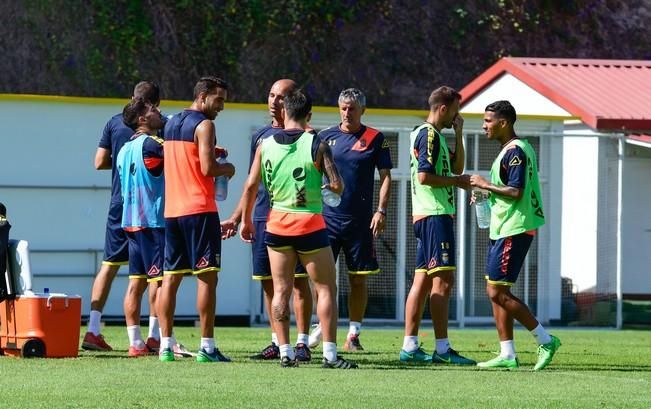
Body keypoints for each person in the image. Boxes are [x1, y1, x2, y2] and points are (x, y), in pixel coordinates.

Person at [239, 89, 357, 369]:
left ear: (283, 112)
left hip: (276, 223)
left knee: (281, 290)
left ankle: (284, 351)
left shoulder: (264, 144)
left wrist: (245, 220)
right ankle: (329, 354)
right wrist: (325, 188)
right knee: (326, 289)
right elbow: (337, 184)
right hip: (309, 224)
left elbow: (250, 185)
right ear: (309, 115)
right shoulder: (316, 143)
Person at [221, 79, 313, 362]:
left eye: (281, 96)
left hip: (294, 216)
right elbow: (253, 182)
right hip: (263, 217)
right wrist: (238, 218)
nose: (274, 101)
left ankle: (302, 342)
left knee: (298, 282)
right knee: (267, 281)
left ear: (292, 101)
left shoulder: (307, 136)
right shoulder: (260, 136)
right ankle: (277, 341)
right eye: (271, 95)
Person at [470, 100, 560, 370]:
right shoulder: (508, 150)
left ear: (503, 122)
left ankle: (545, 340)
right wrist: (485, 194)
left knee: (497, 291)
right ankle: (507, 353)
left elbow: (516, 191)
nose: (484, 125)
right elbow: (506, 190)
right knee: (495, 291)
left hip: (515, 227)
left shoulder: (516, 151)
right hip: (503, 226)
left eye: (488, 120)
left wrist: (486, 184)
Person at [157, 76, 235, 363]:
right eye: (219, 100)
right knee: (207, 279)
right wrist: (228, 168)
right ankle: (207, 348)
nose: (222, 107)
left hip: (173, 211)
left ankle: (165, 346)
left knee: (170, 280)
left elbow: (185, 160)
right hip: (200, 211)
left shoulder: (171, 123)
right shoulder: (205, 125)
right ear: (202, 97)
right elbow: (207, 168)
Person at [309, 88, 393, 351]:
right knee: (321, 278)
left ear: (362, 110)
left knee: (358, 278)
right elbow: (313, 175)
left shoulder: (376, 138)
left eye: (352, 108)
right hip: (327, 220)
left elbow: (386, 176)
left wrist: (381, 210)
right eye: (343, 107)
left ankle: (354, 333)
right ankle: (321, 325)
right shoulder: (324, 138)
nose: (347, 112)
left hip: (360, 222)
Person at [83, 81, 163, 352]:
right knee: (152, 275)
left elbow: (99, 162)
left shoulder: (115, 122)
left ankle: (93, 329)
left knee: (110, 264)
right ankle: (155, 335)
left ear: (132, 98)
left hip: (120, 202)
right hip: (148, 207)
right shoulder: (156, 128)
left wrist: (122, 159)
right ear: (153, 106)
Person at [399, 86, 475, 365]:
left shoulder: (437, 136)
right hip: (435, 216)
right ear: (443, 108)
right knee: (443, 281)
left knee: (421, 281)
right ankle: (442, 350)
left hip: (429, 215)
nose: (457, 115)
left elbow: (456, 169)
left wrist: (458, 133)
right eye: (455, 110)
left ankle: (409, 346)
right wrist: (457, 183)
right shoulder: (427, 134)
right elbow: (424, 176)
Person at [116, 98, 165, 357]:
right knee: (158, 281)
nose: (160, 114)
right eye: (155, 110)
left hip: (131, 222)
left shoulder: (124, 149)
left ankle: (135, 342)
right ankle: (156, 337)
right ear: (143, 119)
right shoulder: (155, 145)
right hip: (153, 221)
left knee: (136, 283)